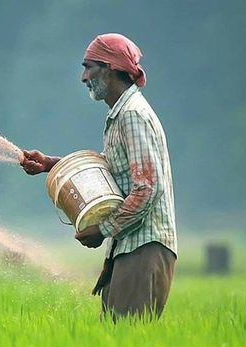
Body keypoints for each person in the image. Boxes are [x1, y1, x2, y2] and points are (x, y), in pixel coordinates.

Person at [20, 33, 177, 320]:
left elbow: (147, 189)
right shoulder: (120, 115)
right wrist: (50, 165)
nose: (83, 77)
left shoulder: (133, 115)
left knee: (129, 342)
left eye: (89, 66)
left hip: (144, 246)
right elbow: (111, 170)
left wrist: (103, 229)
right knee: (117, 342)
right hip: (129, 245)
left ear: (111, 68)